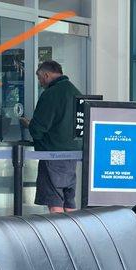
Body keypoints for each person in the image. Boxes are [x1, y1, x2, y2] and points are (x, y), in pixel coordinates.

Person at [20, 61, 82, 213]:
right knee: (69, 200)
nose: (40, 83)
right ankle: (74, 234)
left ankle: (58, 235)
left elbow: (39, 127)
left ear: (46, 75)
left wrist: (29, 125)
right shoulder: (76, 92)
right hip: (73, 155)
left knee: (54, 200)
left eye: (40, 78)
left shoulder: (51, 94)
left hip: (52, 154)